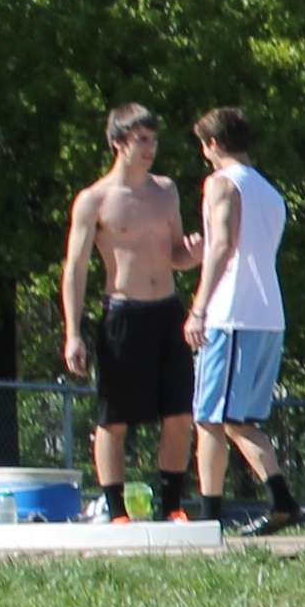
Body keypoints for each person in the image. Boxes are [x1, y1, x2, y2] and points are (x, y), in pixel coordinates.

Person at [56, 105, 197, 521]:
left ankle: (171, 506)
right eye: (141, 140)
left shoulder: (165, 191)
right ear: (118, 142)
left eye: (154, 140)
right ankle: (117, 510)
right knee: (113, 419)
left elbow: (175, 254)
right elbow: (75, 268)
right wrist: (73, 332)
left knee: (179, 414)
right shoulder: (94, 200)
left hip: (168, 312)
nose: (151, 148)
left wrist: (197, 252)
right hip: (122, 314)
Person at [181, 108, 301, 534]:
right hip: (269, 315)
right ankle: (266, 503)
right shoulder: (269, 192)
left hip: (232, 314)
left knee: (214, 417)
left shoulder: (221, 183)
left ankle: (218, 513)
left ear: (213, 144)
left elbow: (223, 246)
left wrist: (198, 308)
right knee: (231, 419)